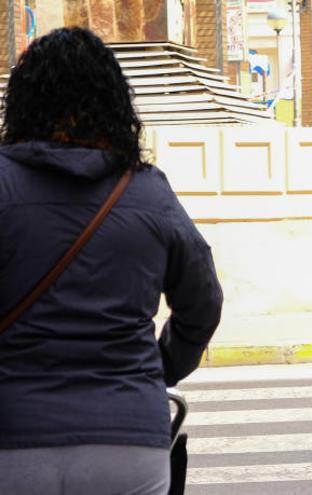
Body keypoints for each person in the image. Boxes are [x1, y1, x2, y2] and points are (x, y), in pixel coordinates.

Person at [0, 28, 223, 494]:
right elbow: (202, 303)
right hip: (128, 441)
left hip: (13, 437)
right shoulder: (147, 191)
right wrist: (159, 367)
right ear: (114, 106)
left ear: (22, 103)